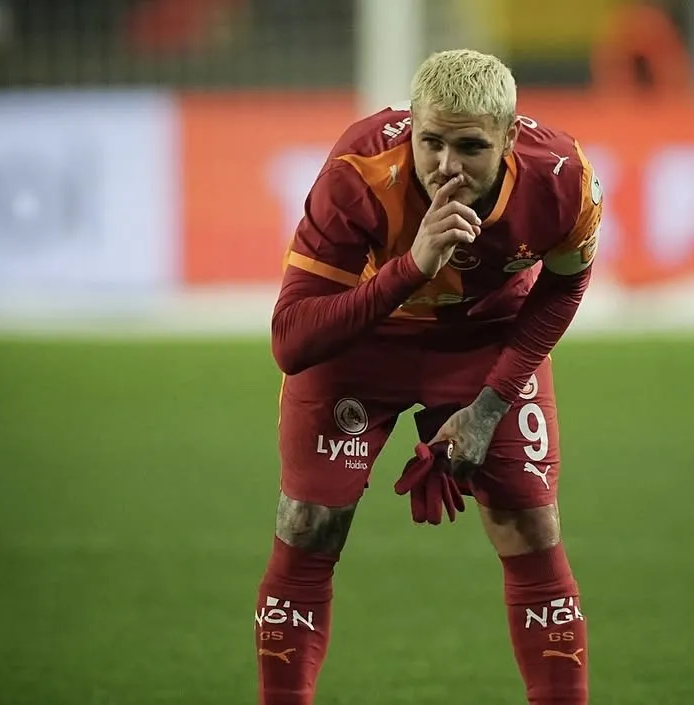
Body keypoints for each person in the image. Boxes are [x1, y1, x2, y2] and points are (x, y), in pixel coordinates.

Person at [254, 48, 603, 705]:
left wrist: (491, 404)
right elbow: (292, 341)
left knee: (530, 524)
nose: (446, 165)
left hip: (483, 338)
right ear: (412, 127)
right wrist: (411, 267)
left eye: (470, 147)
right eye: (431, 141)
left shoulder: (563, 180)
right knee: (307, 522)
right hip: (362, 338)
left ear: (509, 138)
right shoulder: (358, 172)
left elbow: (562, 289)